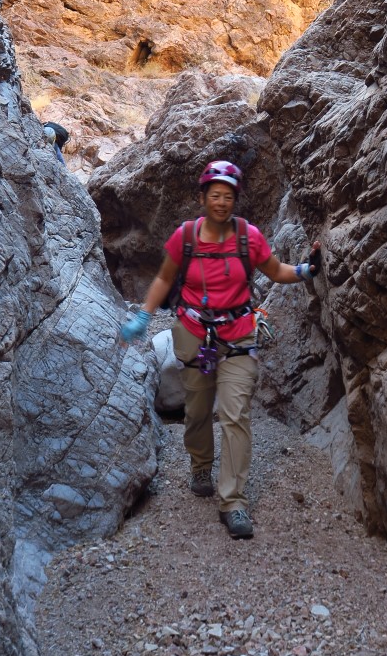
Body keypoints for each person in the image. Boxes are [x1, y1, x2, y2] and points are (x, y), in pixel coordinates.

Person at [119, 160, 320, 539]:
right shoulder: (186, 236)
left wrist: (306, 270)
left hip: (239, 335)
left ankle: (234, 502)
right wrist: (144, 317)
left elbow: (276, 271)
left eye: (228, 196)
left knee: (235, 415)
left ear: (235, 200)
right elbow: (164, 278)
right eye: (215, 195)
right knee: (196, 412)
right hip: (195, 334)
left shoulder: (248, 237)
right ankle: (200, 466)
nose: (221, 202)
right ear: (203, 197)